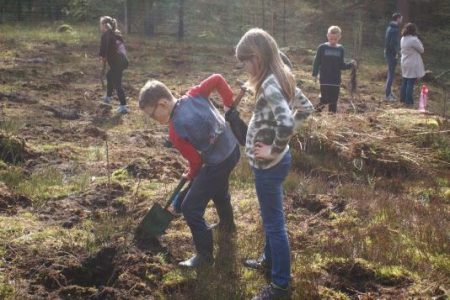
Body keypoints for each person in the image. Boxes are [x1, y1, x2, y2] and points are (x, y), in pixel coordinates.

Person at [235, 28, 313, 300]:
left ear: (256, 57)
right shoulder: (283, 77)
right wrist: (279, 149)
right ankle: (269, 261)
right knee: (271, 219)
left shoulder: (270, 83)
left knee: (274, 224)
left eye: (244, 61)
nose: (244, 67)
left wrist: (273, 149)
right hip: (275, 163)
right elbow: (306, 108)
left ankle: (280, 286)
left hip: (269, 166)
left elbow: (289, 121)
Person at [138, 74, 240, 268]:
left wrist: (191, 174)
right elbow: (217, 79)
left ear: (163, 104)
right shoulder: (195, 93)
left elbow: (196, 161)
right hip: (232, 150)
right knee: (218, 188)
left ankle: (204, 256)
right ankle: (227, 226)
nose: (153, 119)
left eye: (152, 115)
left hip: (217, 162)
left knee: (190, 207)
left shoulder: (175, 132)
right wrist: (228, 104)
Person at [312, 26, 356, 113]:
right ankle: (315, 113)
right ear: (327, 35)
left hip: (335, 80)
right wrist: (314, 74)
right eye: (331, 38)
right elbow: (317, 62)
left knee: (333, 101)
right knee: (325, 99)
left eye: (335, 39)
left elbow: (341, 65)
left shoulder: (340, 49)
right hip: (324, 78)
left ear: (339, 37)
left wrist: (351, 64)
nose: (333, 41)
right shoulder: (322, 48)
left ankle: (332, 117)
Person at [99, 16, 129, 114]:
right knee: (109, 75)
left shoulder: (106, 35)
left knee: (117, 83)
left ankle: (123, 106)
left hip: (117, 63)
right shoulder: (116, 34)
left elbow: (103, 54)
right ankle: (108, 97)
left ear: (104, 25)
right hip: (122, 61)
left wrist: (103, 65)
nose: (100, 26)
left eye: (100, 24)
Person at [400, 23, 425, 106]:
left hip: (404, 62)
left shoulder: (403, 38)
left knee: (405, 81)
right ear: (413, 31)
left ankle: (402, 99)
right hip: (412, 63)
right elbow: (421, 50)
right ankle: (408, 101)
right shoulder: (414, 40)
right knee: (410, 82)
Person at [384, 13, 403, 101]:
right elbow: (393, 43)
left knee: (390, 73)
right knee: (391, 74)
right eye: (400, 18)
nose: (401, 19)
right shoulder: (394, 29)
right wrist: (398, 52)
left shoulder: (389, 27)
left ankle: (389, 92)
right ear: (397, 18)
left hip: (388, 53)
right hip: (391, 54)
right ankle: (388, 95)